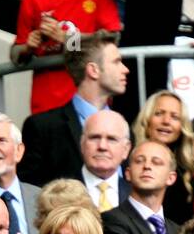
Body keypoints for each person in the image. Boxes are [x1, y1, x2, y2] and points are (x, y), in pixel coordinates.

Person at [12, 0, 121, 115]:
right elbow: (15, 55)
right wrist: (28, 47)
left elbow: (112, 39)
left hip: (92, 98)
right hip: (46, 101)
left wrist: (67, 38)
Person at [19, 31, 129, 187]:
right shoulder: (43, 128)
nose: (125, 69)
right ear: (93, 70)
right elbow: (29, 193)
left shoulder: (125, 130)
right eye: (117, 62)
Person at [101, 141, 182, 234]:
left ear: (171, 178)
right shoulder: (110, 221)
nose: (147, 166)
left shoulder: (178, 232)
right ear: (127, 174)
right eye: (139, 161)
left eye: (156, 162)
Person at [132, 91, 194, 225]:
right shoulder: (129, 162)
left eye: (175, 117)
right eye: (159, 113)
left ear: (182, 127)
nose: (166, 121)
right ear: (147, 119)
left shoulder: (187, 171)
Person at [78, 109, 132, 212]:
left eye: (111, 139)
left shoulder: (137, 197)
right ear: (82, 144)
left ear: (126, 149)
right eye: (95, 137)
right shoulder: (57, 193)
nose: (102, 146)